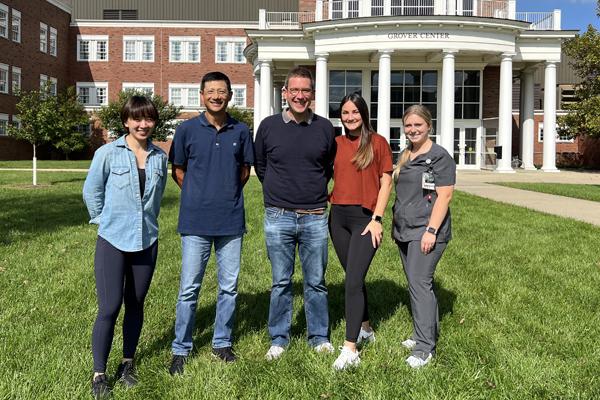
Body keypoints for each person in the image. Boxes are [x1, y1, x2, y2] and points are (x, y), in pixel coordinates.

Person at [168, 71, 254, 374]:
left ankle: (222, 343)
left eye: (222, 91)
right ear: (201, 95)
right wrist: (197, 194)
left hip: (230, 221)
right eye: (211, 91)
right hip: (194, 220)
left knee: (228, 288)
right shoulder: (187, 130)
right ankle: (181, 347)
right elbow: (178, 169)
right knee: (189, 288)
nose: (217, 96)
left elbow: (244, 170)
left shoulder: (241, 131)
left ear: (230, 95)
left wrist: (225, 194)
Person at [83, 96, 168, 399]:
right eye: (137, 119)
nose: (143, 125)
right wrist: (104, 221)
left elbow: (156, 200)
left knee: (135, 304)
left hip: (146, 240)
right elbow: (91, 191)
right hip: (113, 240)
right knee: (109, 307)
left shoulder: (160, 157)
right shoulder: (107, 153)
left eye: (148, 119)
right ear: (126, 122)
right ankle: (99, 373)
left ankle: (127, 364)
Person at [254, 66, 337, 360]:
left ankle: (319, 336)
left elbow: (328, 167)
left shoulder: (325, 128)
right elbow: (261, 166)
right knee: (281, 281)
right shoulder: (268, 126)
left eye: (306, 91)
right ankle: (279, 338)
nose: (300, 96)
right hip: (278, 216)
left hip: (315, 215)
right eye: (295, 91)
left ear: (312, 94)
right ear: (285, 93)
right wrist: (281, 192)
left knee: (316, 281)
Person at [328, 93, 393, 370]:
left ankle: (350, 349)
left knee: (353, 281)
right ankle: (365, 326)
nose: (350, 117)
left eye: (355, 112)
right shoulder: (336, 143)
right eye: (345, 112)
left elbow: (386, 181)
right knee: (354, 276)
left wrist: (377, 218)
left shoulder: (377, 143)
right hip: (338, 218)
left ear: (364, 114)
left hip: (365, 220)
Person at [391, 104, 456, 368]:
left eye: (418, 125)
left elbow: (445, 195)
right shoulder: (406, 154)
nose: (413, 129)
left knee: (420, 283)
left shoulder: (440, 157)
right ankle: (422, 333)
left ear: (429, 126)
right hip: (405, 229)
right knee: (416, 284)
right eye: (408, 125)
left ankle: (425, 349)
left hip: (427, 230)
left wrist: (431, 230)